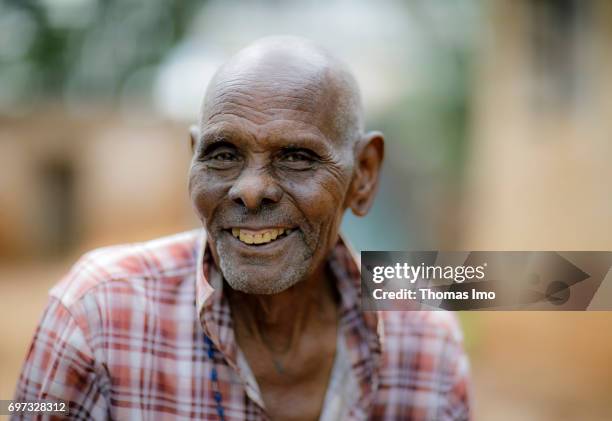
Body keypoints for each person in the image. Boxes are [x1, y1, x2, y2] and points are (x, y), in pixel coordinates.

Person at [14, 36, 470, 420]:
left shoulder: (426, 339)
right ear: (193, 157)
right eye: (223, 154)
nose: (250, 191)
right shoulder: (98, 315)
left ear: (364, 175)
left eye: (296, 157)